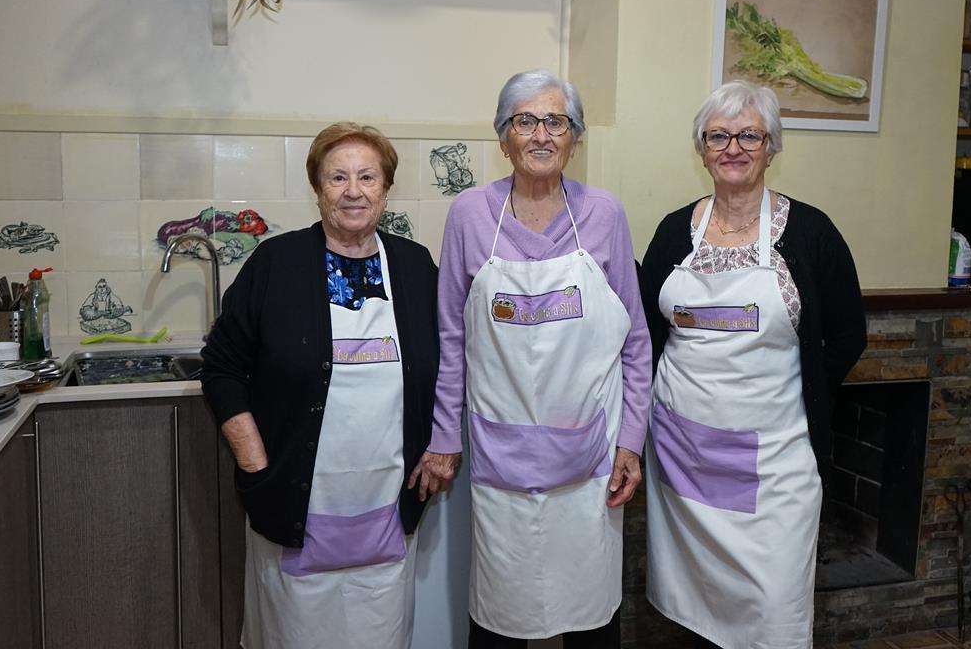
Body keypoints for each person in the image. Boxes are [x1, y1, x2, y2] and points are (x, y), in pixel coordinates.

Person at [409, 69, 651, 648]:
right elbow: (451, 339)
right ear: (503, 136)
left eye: (555, 121)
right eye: (525, 121)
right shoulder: (469, 214)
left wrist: (631, 443)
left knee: (592, 614)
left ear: (575, 137)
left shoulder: (605, 215)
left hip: (591, 460)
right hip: (502, 459)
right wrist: (445, 438)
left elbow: (635, 341)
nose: (541, 134)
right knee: (500, 613)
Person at [639, 80, 867, 649]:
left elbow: (847, 334)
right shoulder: (674, 230)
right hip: (684, 457)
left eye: (748, 135)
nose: (732, 148)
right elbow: (645, 331)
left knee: (773, 608)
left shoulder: (811, 233)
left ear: (772, 146)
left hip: (776, 465)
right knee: (696, 606)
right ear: (701, 148)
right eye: (718, 136)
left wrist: (800, 392)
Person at [201, 123, 439, 649]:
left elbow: (448, 363)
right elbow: (220, 365)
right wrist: (253, 461)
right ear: (318, 188)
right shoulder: (276, 263)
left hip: (385, 505)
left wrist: (443, 446)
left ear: (385, 187)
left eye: (367, 177)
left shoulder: (415, 266)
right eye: (338, 177)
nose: (353, 190)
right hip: (293, 501)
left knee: (380, 632)